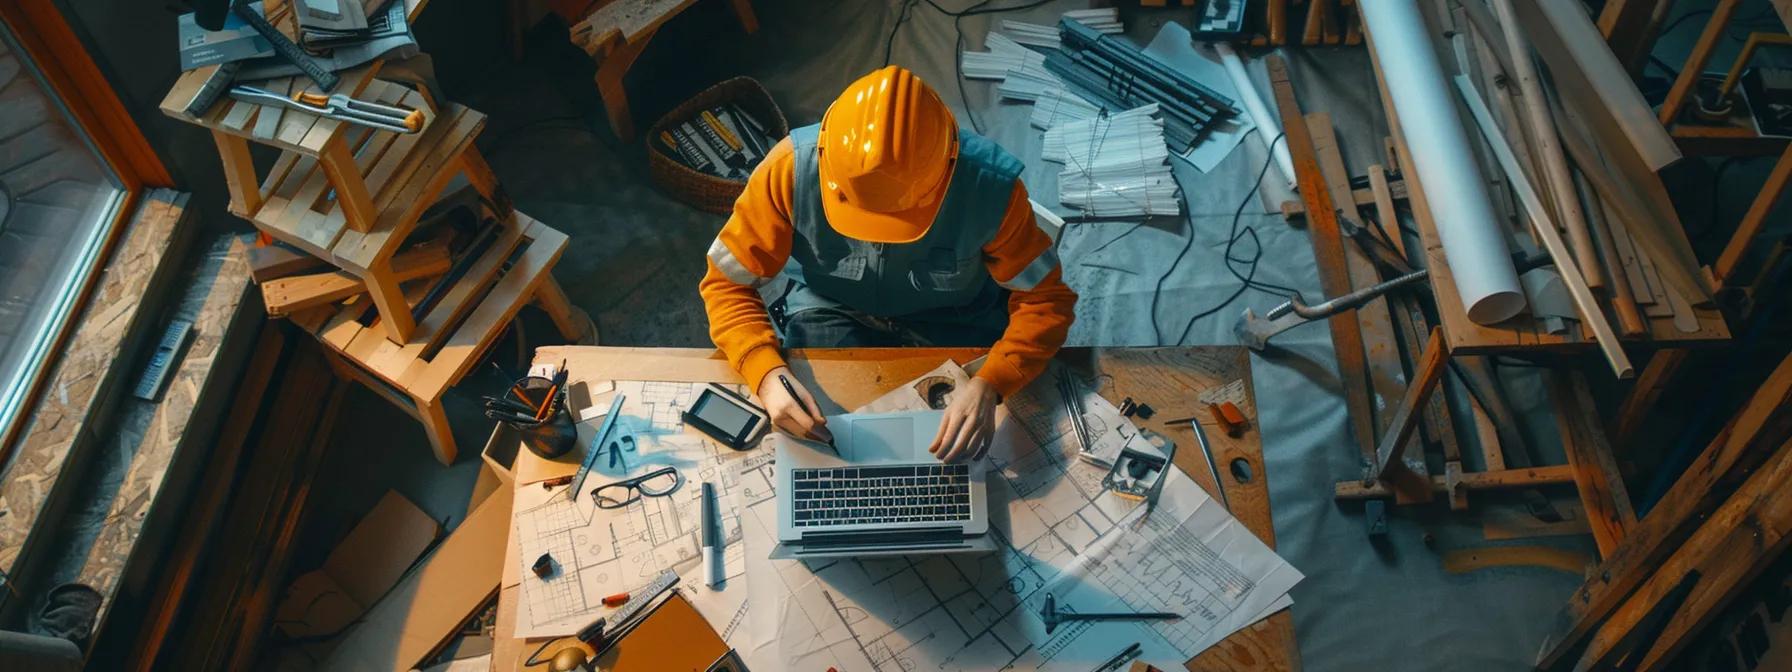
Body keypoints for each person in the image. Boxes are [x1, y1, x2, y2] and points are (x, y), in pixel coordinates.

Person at [699, 66, 1076, 463]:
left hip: (957, 318)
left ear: (950, 164)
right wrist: (764, 373)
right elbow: (726, 284)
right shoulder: (786, 172)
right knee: (823, 447)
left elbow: (1046, 301)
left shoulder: (992, 191)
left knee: (977, 460)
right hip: (831, 310)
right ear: (824, 155)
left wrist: (994, 382)